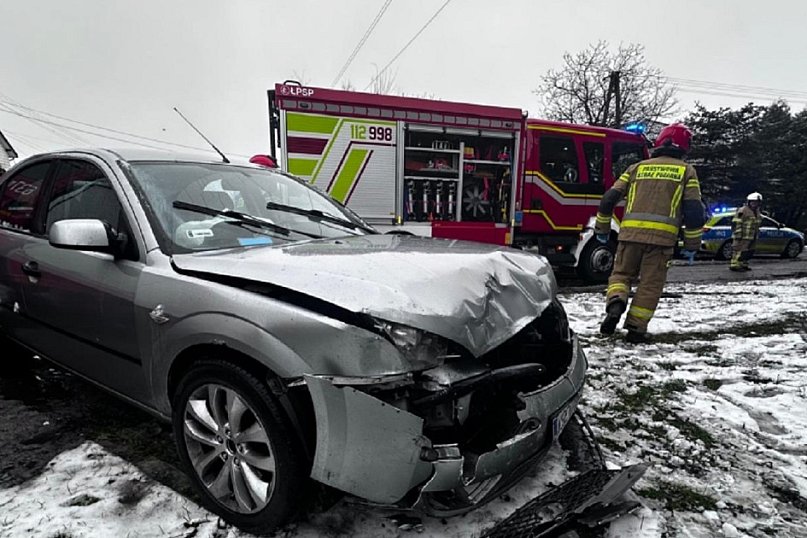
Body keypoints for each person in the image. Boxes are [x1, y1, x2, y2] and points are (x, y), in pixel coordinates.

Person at [595, 123, 706, 343]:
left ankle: (615, 304)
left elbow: (608, 199)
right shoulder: (686, 171)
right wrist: (692, 246)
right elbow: (694, 211)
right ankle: (636, 329)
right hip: (661, 242)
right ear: (684, 147)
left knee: (620, 276)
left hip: (629, 236)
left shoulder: (636, 168)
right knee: (649, 284)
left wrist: (603, 228)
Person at [730, 192, 762, 271]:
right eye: (753, 202)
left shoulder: (757, 211)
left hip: (752, 236)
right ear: (749, 202)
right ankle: (735, 265)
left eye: (756, 202)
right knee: (739, 250)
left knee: (748, 252)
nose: (754, 204)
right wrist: (738, 234)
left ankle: (744, 264)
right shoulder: (742, 210)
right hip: (743, 236)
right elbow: (736, 222)